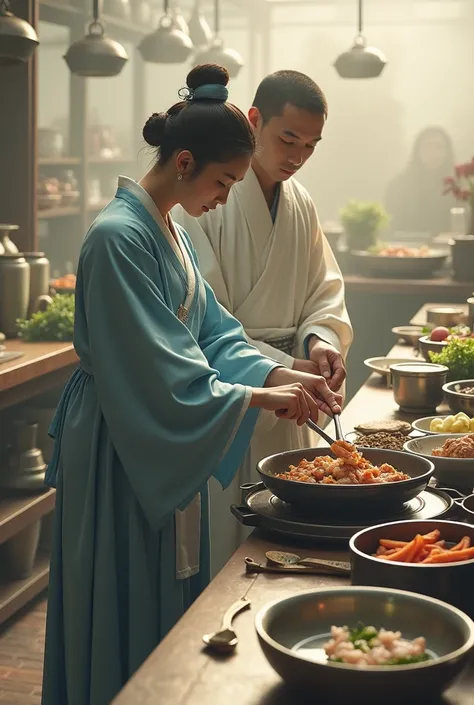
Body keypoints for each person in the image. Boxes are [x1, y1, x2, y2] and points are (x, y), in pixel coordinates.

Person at [41, 64, 342, 705]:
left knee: (162, 590)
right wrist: (259, 397)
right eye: (223, 180)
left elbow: (212, 332)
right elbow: (155, 365)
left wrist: (281, 372)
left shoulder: (168, 228)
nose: (226, 196)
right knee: (121, 586)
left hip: (150, 423)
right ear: (183, 162)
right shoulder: (117, 238)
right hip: (121, 434)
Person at [173, 70, 353, 573]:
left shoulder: (302, 204)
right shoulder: (204, 199)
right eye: (287, 138)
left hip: (296, 398)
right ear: (254, 120)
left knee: (292, 545)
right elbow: (204, 317)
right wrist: (286, 365)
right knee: (230, 543)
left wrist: (320, 343)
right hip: (235, 392)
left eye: (310, 146)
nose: (296, 156)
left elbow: (324, 289)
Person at [385, 126, 456, 236]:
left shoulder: (459, 187)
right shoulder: (398, 186)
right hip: (408, 248)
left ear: (447, 152)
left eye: (438, 147)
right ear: (417, 151)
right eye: (427, 147)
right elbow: (390, 226)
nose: (433, 153)